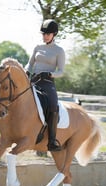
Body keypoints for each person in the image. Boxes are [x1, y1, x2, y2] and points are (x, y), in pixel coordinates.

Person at [25, 19, 65, 152]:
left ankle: (52, 140)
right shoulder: (37, 47)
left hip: (47, 83)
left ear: (54, 34)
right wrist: (26, 71)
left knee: (53, 105)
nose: (45, 36)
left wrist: (50, 74)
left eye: (48, 34)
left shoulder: (59, 51)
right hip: (34, 81)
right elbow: (30, 64)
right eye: (43, 34)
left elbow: (61, 72)